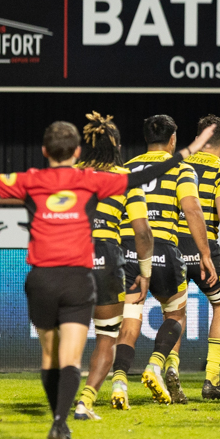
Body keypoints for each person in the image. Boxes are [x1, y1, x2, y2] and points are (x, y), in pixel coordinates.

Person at [0, 122, 215, 439]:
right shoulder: (94, 181)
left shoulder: (30, 180)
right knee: (79, 354)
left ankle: (60, 417)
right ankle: (63, 419)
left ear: (44, 151)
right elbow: (141, 179)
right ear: (76, 151)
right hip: (83, 275)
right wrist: (187, 152)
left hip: (41, 279)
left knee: (49, 358)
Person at [106, 114, 214, 410]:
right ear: (173, 140)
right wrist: (205, 253)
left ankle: (119, 382)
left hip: (127, 249)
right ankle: (155, 364)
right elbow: (191, 209)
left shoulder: (125, 169)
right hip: (163, 248)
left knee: (130, 320)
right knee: (176, 314)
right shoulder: (180, 167)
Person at [164, 115, 220, 401]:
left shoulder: (177, 165)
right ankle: (212, 379)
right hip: (204, 249)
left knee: (174, 312)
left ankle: (172, 371)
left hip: (171, 246)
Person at [69, 113, 151, 422]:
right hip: (105, 256)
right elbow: (142, 231)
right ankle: (85, 402)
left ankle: (61, 400)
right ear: (116, 144)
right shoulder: (125, 179)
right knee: (106, 337)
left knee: (65, 335)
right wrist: (145, 271)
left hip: (68, 255)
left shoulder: (68, 173)